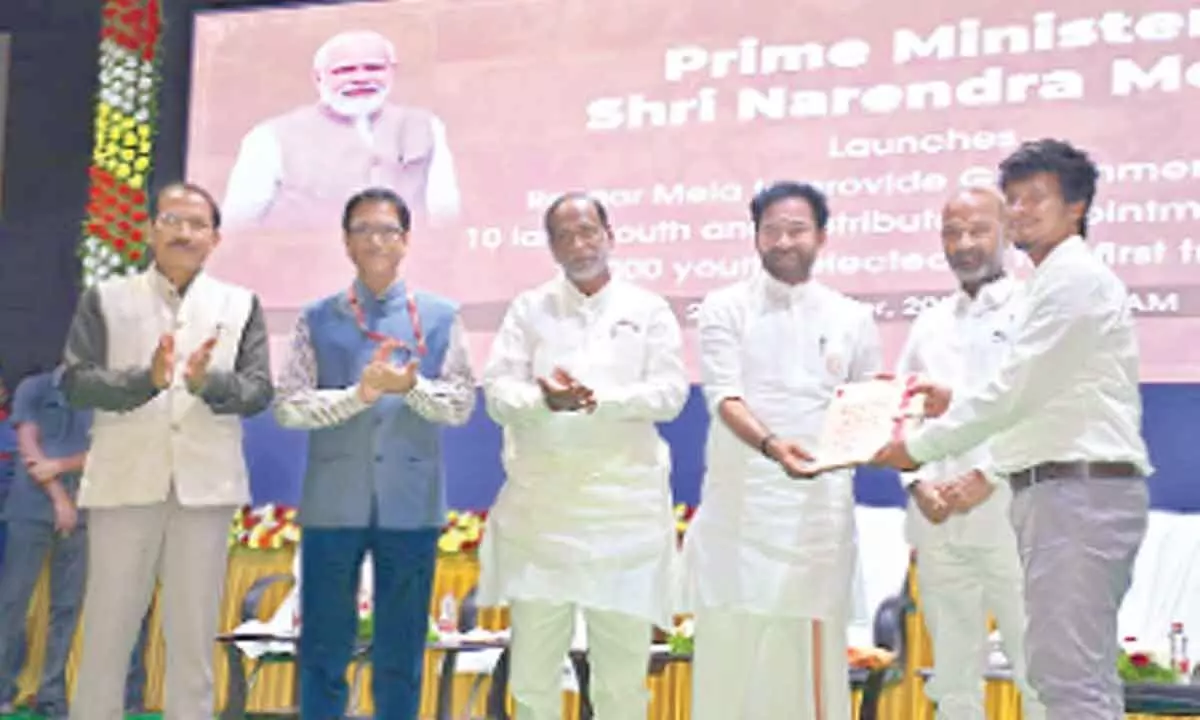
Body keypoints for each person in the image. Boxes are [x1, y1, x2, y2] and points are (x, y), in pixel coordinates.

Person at [872, 139, 1151, 720]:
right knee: (1061, 676)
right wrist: (928, 443)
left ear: (1076, 207)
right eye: (1015, 199)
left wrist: (915, 449)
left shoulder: (1067, 282)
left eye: (1035, 200)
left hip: (1069, 494)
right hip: (1045, 495)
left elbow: (1012, 392)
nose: (1021, 211)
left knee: (1060, 680)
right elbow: (1030, 391)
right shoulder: (1052, 281)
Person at [62, 181, 274, 720]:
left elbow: (258, 392)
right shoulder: (106, 299)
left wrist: (209, 384)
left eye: (197, 224)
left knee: (192, 640)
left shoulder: (242, 303)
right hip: (123, 484)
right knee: (107, 634)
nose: (184, 233)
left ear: (216, 238)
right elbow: (76, 382)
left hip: (205, 490)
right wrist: (146, 380)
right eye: (172, 220)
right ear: (150, 229)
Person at [477, 193, 688, 720]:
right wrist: (544, 400)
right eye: (565, 236)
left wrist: (601, 399)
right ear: (550, 247)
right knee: (532, 679)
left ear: (609, 234)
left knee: (621, 684)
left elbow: (671, 394)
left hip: (624, 519)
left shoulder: (647, 309)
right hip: (542, 518)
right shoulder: (530, 309)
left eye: (588, 231)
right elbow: (499, 394)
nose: (579, 244)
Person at [681, 181, 882, 720]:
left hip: (816, 519)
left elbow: (864, 406)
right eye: (771, 230)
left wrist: (884, 421)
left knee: (808, 670)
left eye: (796, 230)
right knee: (729, 662)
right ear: (755, 238)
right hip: (740, 513)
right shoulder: (725, 307)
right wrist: (772, 446)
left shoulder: (852, 318)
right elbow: (723, 395)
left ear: (821, 237)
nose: (783, 241)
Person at [273, 187, 475, 719]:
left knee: (401, 651)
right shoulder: (316, 318)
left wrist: (410, 388)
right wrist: (357, 396)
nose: (376, 240)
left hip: (411, 505)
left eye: (388, 230)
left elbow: (458, 406)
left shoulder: (440, 315)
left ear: (406, 241)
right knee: (321, 648)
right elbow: (289, 407)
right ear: (346, 242)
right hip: (332, 503)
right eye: (363, 230)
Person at [894, 187, 1045, 720]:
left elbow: (1041, 410)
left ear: (1007, 230)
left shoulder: (1036, 309)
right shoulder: (929, 322)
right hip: (938, 525)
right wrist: (916, 485)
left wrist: (988, 473)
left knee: (1038, 677)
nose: (964, 244)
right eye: (952, 233)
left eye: (978, 230)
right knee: (952, 682)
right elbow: (904, 414)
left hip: (1013, 520)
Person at [222, 30, 461, 231]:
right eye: (345, 71)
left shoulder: (426, 125)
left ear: (392, 71)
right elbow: (238, 226)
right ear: (318, 78)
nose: (360, 78)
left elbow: (446, 214)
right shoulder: (269, 136)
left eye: (373, 68)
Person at [0, 366, 91, 720]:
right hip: (30, 510)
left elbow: (107, 453)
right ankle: (4, 687)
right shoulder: (33, 387)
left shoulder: (108, 398)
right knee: (12, 601)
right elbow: (29, 449)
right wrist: (59, 499)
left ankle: (52, 693)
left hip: (85, 512)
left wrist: (60, 468)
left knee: (67, 608)